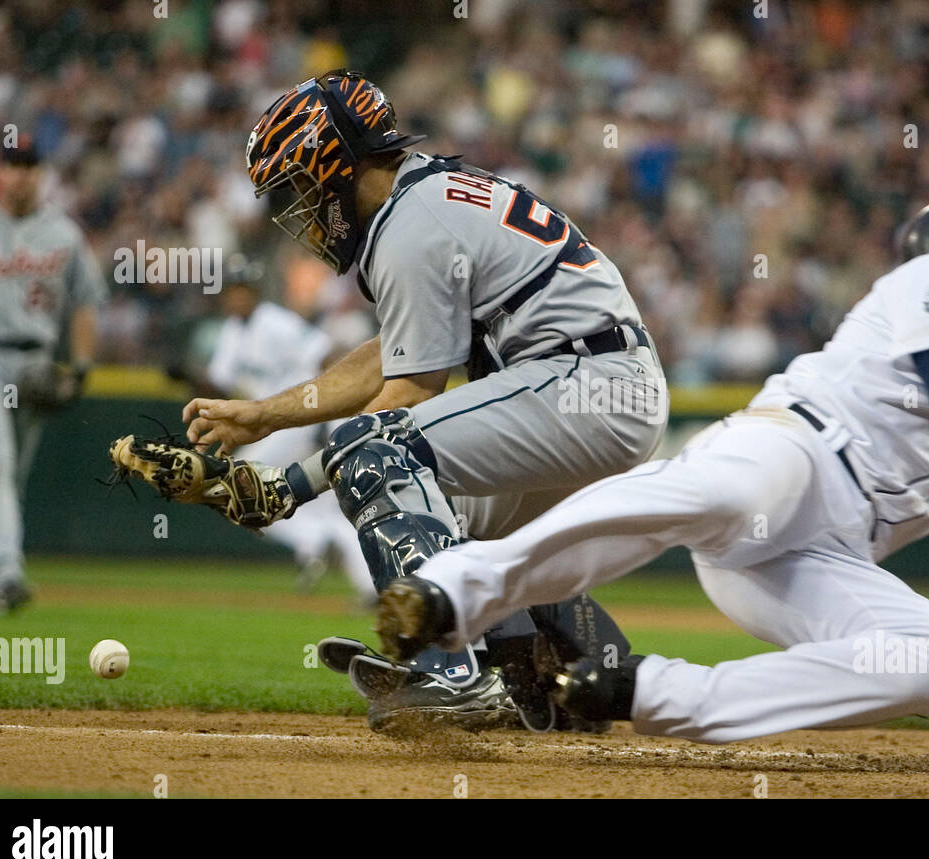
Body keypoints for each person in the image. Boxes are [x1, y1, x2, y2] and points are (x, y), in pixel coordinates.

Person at [376, 196, 929, 748]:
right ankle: (452, 592)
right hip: (792, 452)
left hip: (812, 561)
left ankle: (641, 689)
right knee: (715, 492)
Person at [177, 71, 667, 731]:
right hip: (597, 383)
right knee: (447, 520)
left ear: (334, 160)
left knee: (374, 457)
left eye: (298, 185)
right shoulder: (428, 197)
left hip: (583, 384)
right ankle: (564, 686)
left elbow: (404, 399)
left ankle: (449, 669)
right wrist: (266, 414)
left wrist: (291, 483)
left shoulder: (411, 222)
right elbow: (396, 354)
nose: (300, 209)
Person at [0, 138, 104, 614]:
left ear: (41, 173)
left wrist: (80, 370)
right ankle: (5, 571)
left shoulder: (62, 232)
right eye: (11, 165)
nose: (20, 174)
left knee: (11, 473)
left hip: (35, 362)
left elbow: (85, 301)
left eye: (29, 165)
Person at [202, 257, 375, 606]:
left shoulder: (276, 323)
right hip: (272, 424)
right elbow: (218, 380)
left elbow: (327, 356)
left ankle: (312, 542)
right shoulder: (233, 331)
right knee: (329, 509)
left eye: (244, 290)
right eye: (233, 291)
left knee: (238, 484)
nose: (238, 297)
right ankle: (362, 580)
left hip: (296, 418)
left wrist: (328, 420)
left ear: (254, 292)